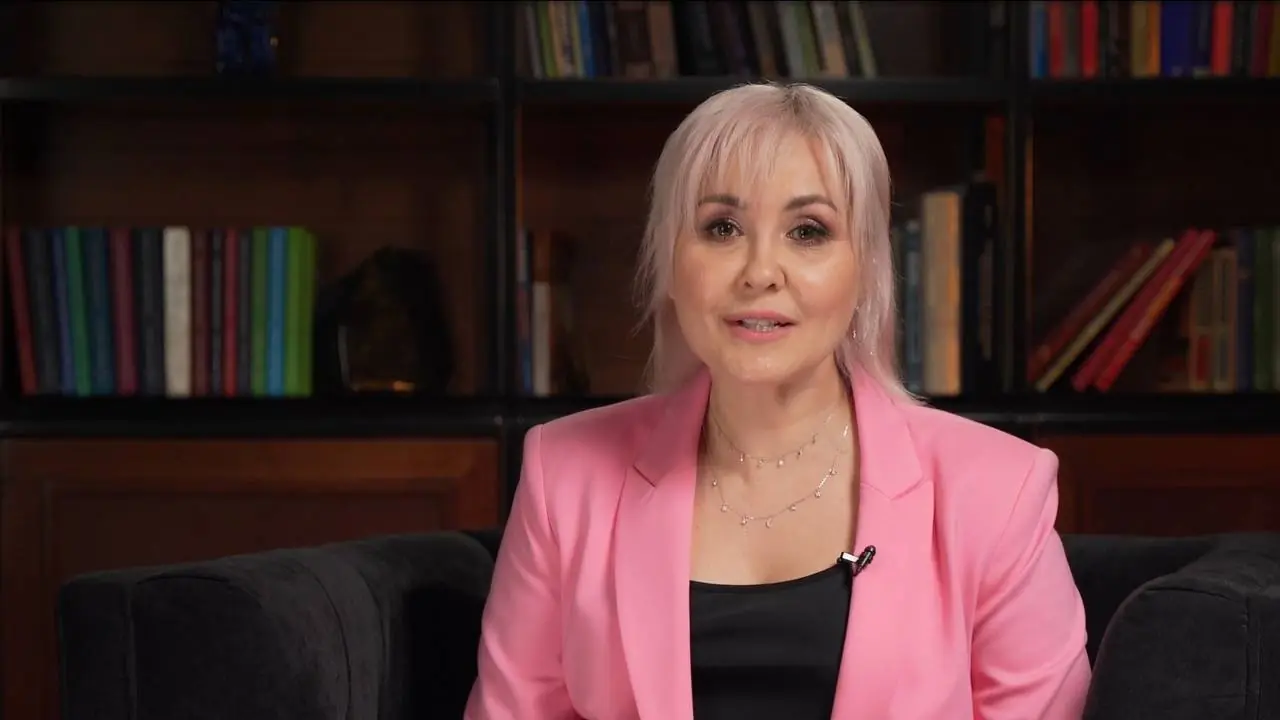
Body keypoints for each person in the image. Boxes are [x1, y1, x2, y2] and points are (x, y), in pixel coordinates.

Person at [464, 82, 1090, 719]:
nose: (760, 272)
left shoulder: (999, 490)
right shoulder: (562, 473)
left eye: (808, 231)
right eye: (722, 227)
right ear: (670, 262)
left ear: (867, 268)